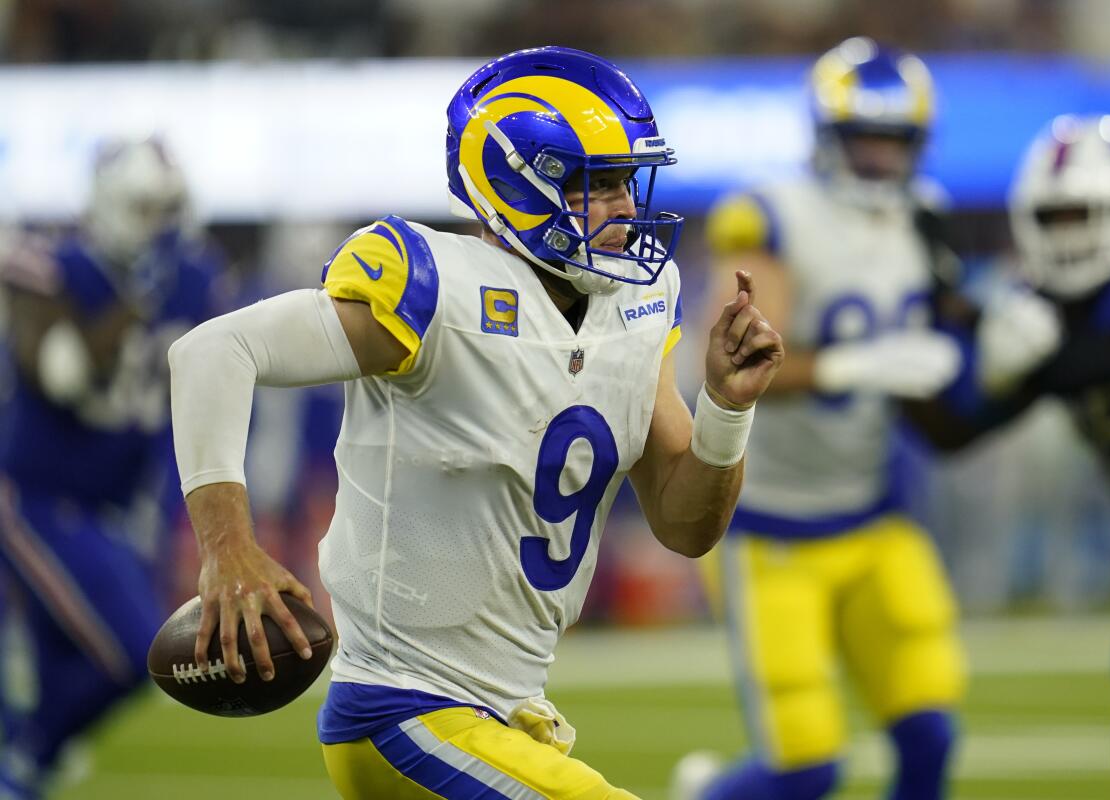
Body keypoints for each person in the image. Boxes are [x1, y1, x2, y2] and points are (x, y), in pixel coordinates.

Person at [168, 46, 783, 799]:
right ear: (518, 185)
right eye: (599, 185)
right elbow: (213, 350)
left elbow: (688, 527)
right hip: (402, 707)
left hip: (511, 715)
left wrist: (726, 407)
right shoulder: (432, 291)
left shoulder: (638, 303)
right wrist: (227, 547)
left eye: (629, 180)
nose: (627, 206)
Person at [672, 37, 966, 800]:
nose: (878, 160)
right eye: (863, 139)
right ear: (827, 135)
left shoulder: (926, 220)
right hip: (771, 527)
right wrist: (851, 365)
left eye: (893, 142)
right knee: (807, 767)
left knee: (931, 731)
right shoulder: (771, 215)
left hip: (874, 512)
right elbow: (735, 359)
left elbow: (951, 341)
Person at [969, 113, 1110, 800]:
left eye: (1086, 213)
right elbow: (958, 426)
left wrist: (1051, 361)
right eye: (1056, 216)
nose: (1070, 233)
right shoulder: (1040, 314)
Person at [0, 137, 221, 799]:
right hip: (36, 494)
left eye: (168, 208)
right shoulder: (59, 267)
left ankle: (27, 761)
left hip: (116, 502)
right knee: (131, 654)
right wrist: (133, 302)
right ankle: (27, 752)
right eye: (144, 207)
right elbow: (59, 373)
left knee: (73, 660)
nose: (158, 224)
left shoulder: (197, 276)